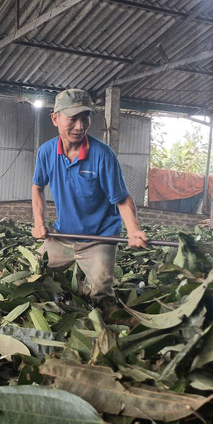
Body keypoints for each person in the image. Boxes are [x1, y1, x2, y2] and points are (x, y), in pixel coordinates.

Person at [32, 88, 148, 311]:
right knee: (35, 270)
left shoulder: (103, 155)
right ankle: (71, 294)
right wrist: (39, 223)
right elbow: (37, 187)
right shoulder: (46, 152)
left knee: (101, 296)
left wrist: (133, 230)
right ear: (55, 118)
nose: (80, 126)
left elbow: (122, 199)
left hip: (100, 237)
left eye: (85, 118)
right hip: (63, 235)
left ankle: (108, 331)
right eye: (72, 118)